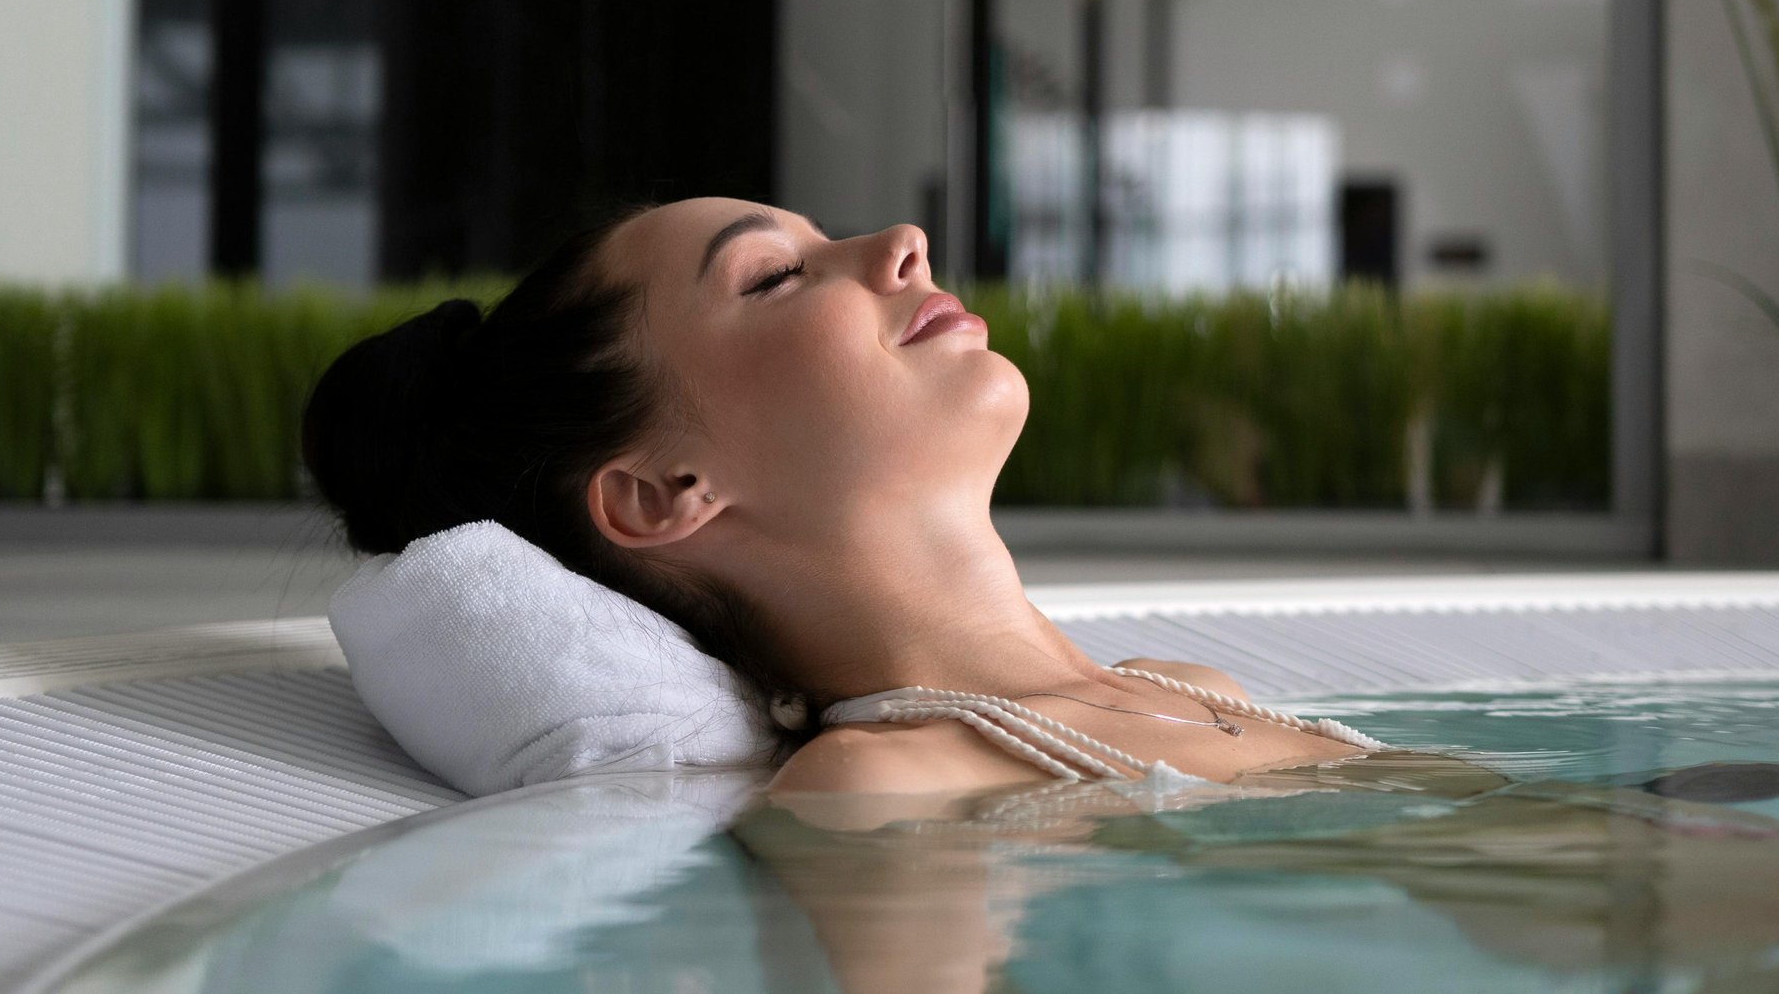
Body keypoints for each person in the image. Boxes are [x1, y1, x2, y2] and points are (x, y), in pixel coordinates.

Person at [303, 197, 1368, 797]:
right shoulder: (882, 791)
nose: (902, 241)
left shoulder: (1190, 685)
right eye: (773, 278)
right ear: (664, 493)